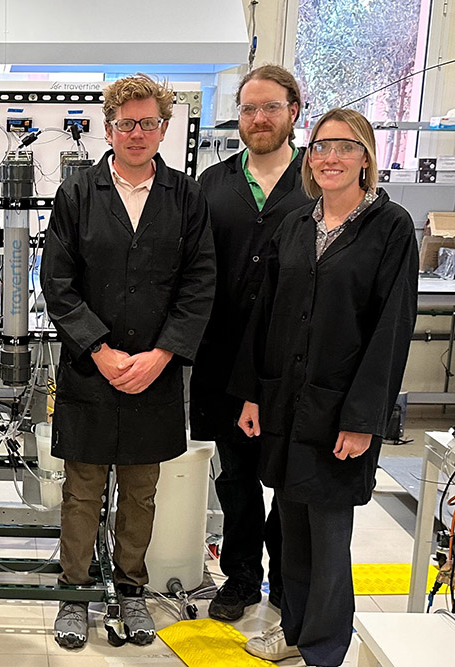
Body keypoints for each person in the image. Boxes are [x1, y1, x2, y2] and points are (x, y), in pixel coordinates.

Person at [230, 108, 417, 667]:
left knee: (329, 536)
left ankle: (325, 647)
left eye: (344, 146)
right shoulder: (296, 224)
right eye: (321, 147)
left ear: (366, 157)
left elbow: (392, 330)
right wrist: (251, 393)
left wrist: (363, 420)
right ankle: (295, 628)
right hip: (287, 402)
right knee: (290, 525)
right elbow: (265, 317)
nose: (330, 157)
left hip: (341, 411)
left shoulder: (390, 227)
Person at [41, 74, 216, 648]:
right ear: (107, 128)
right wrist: (100, 347)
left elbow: (198, 283)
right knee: (82, 490)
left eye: (147, 123)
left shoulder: (186, 198)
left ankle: (131, 592)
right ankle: (74, 595)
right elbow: (59, 284)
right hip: (92, 372)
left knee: (141, 493)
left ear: (164, 128)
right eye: (125, 124)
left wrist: (162, 354)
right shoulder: (76, 194)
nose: (136, 134)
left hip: (157, 375)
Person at [190, 64, 311, 621]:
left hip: (291, 358)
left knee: (287, 474)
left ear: (294, 111)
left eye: (270, 107)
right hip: (222, 358)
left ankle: (288, 583)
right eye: (248, 109)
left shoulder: (317, 179)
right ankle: (241, 578)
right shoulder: (211, 185)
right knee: (235, 475)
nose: (259, 119)